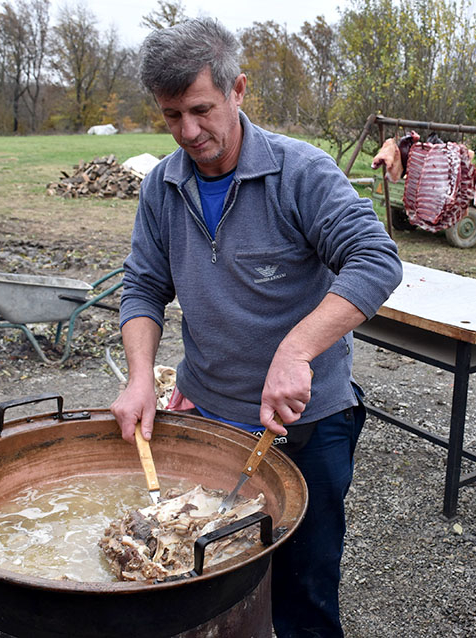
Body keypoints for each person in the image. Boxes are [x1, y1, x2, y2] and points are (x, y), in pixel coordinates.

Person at [109, 17, 403, 637]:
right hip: (210, 419)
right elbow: (143, 285)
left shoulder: (301, 173)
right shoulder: (163, 186)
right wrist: (140, 378)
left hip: (306, 424)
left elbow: (376, 259)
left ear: (238, 89)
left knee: (303, 589)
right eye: (171, 117)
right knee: (209, 579)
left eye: (201, 109)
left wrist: (297, 349)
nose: (189, 132)